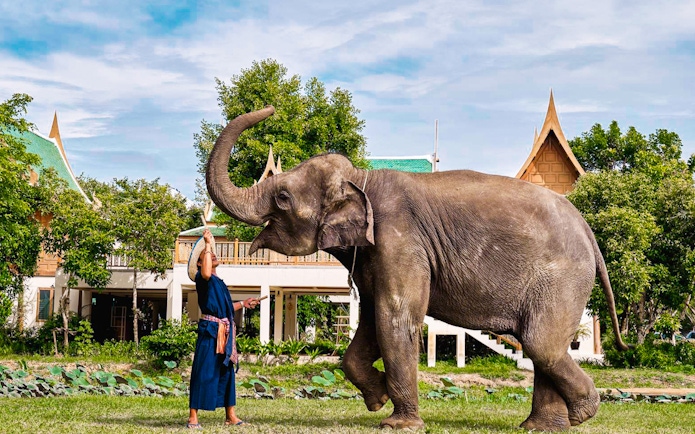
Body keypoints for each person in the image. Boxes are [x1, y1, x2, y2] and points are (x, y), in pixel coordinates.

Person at [187, 228, 261, 429]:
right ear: (201, 262)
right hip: (210, 330)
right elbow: (205, 271)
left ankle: (231, 415)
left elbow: (227, 308)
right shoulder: (203, 280)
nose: (212, 255)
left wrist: (243, 304)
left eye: (211, 253)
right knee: (203, 371)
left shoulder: (219, 282)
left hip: (224, 331)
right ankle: (193, 417)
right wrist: (207, 244)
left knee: (226, 372)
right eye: (207, 256)